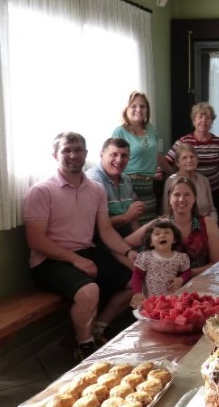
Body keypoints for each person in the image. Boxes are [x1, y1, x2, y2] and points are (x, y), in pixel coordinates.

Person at [23, 132, 136, 360]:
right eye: (66, 150)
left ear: (86, 154)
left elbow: (105, 231)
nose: (73, 155)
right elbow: (36, 240)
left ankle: (98, 328)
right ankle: (85, 347)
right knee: (89, 290)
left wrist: (129, 252)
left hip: (87, 252)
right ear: (55, 155)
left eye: (78, 150)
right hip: (49, 261)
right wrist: (75, 259)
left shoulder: (96, 190)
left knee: (136, 281)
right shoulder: (41, 191)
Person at [126, 176, 219, 277]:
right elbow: (123, 245)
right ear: (169, 199)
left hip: (200, 282)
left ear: (194, 199)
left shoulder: (208, 223)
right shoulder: (157, 225)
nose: (181, 199)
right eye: (177, 194)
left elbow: (217, 264)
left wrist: (188, 274)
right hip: (164, 286)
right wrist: (138, 268)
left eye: (187, 195)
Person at [112, 91, 175, 224]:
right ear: (126, 109)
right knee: (133, 228)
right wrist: (125, 189)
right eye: (134, 106)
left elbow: (156, 155)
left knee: (150, 229)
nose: (138, 109)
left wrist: (174, 174)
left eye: (142, 106)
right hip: (128, 186)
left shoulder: (150, 129)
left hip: (148, 186)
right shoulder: (119, 131)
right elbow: (113, 163)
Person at [165, 102, 219, 208]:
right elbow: (168, 160)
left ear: (212, 122)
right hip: (188, 192)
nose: (204, 120)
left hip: (213, 192)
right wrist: (160, 174)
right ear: (194, 120)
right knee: (192, 222)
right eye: (200, 117)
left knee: (209, 220)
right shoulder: (183, 142)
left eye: (208, 117)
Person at [86, 137, 145, 239]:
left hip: (125, 239)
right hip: (99, 243)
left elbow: (133, 220)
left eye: (124, 155)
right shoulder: (93, 181)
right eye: (114, 154)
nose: (119, 160)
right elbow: (92, 226)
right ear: (101, 155)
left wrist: (143, 245)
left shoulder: (126, 180)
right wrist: (127, 216)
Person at [130, 220, 192, 308]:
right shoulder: (146, 257)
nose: (162, 235)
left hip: (172, 301)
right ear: (151, 242)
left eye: (166, 232)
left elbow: (188, 272)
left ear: (174, 239)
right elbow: (137, 275)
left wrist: (181, 279)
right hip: (151, 301)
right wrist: (137, 293)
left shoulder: (180, 258)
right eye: (157, 233)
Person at [162, 143, 218, 220]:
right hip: (180, 225)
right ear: (178, 163)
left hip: (205, 224)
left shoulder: (204, 180)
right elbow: (166, 212)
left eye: (192, 157)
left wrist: (213, 223)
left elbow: (212, 209)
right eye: (184, 158)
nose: (189, 160)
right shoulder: (171, 181)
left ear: (197, 160)